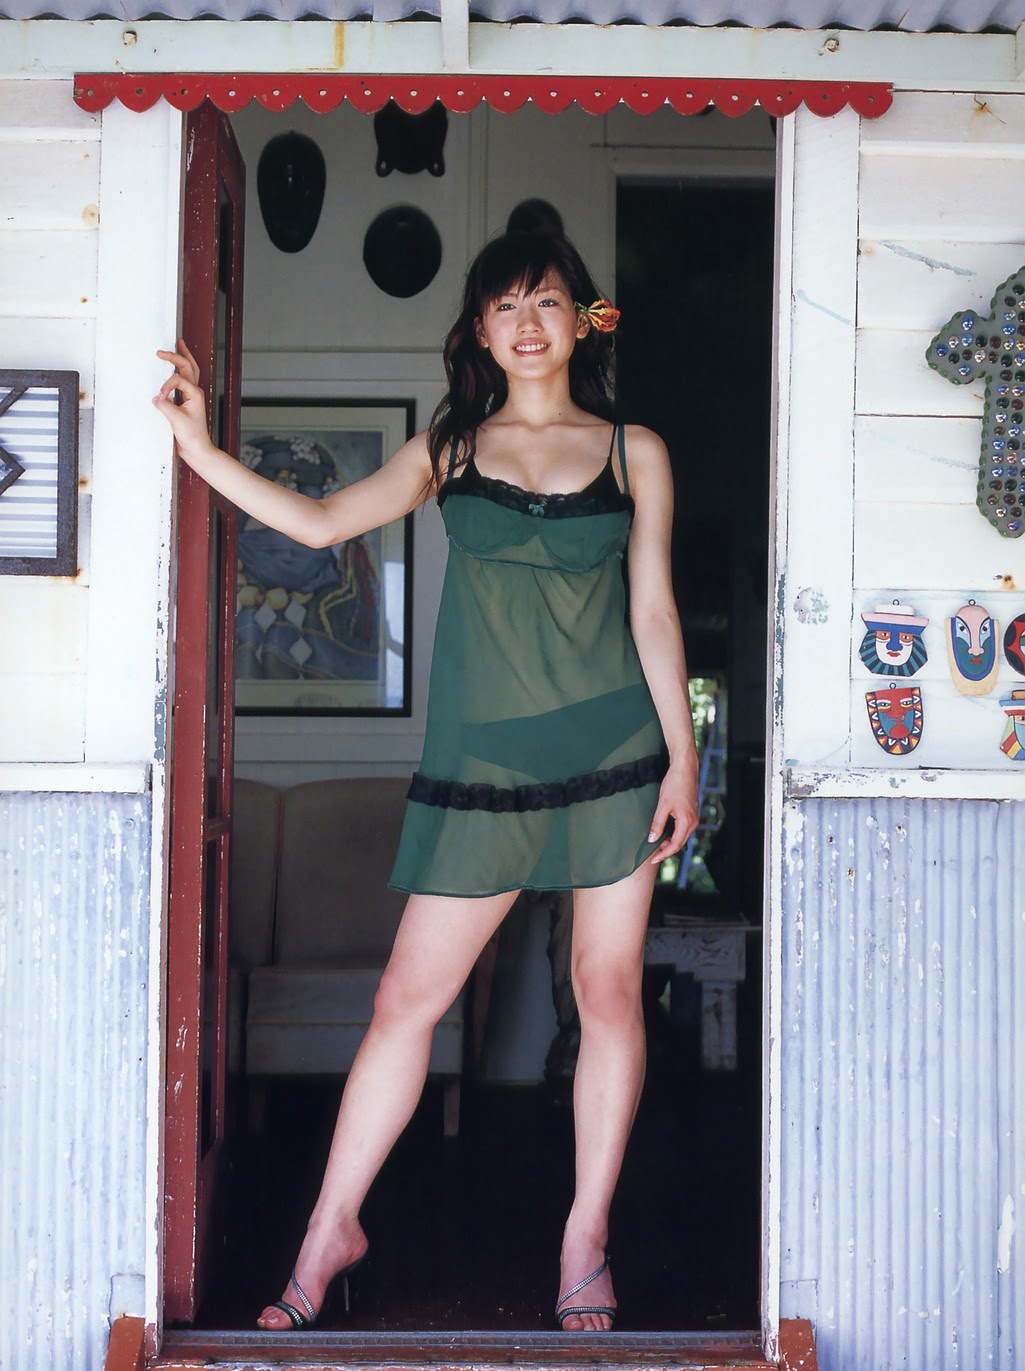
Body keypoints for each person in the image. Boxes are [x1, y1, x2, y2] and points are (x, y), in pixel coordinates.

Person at [154, 227, 699, 1334]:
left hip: (614, 759)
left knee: (605, 993)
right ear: (479, 332)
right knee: (404, 1002)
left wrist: (684, 758)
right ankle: (329, 1232)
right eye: (505, 306)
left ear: (582, 318)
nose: (527, 323)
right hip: (480, 768)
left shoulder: (633, 449)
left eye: (546, 301)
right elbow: (318, 524)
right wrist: (198, 446)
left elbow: (651, 610)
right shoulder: (449, 447)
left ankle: (583, 1237)